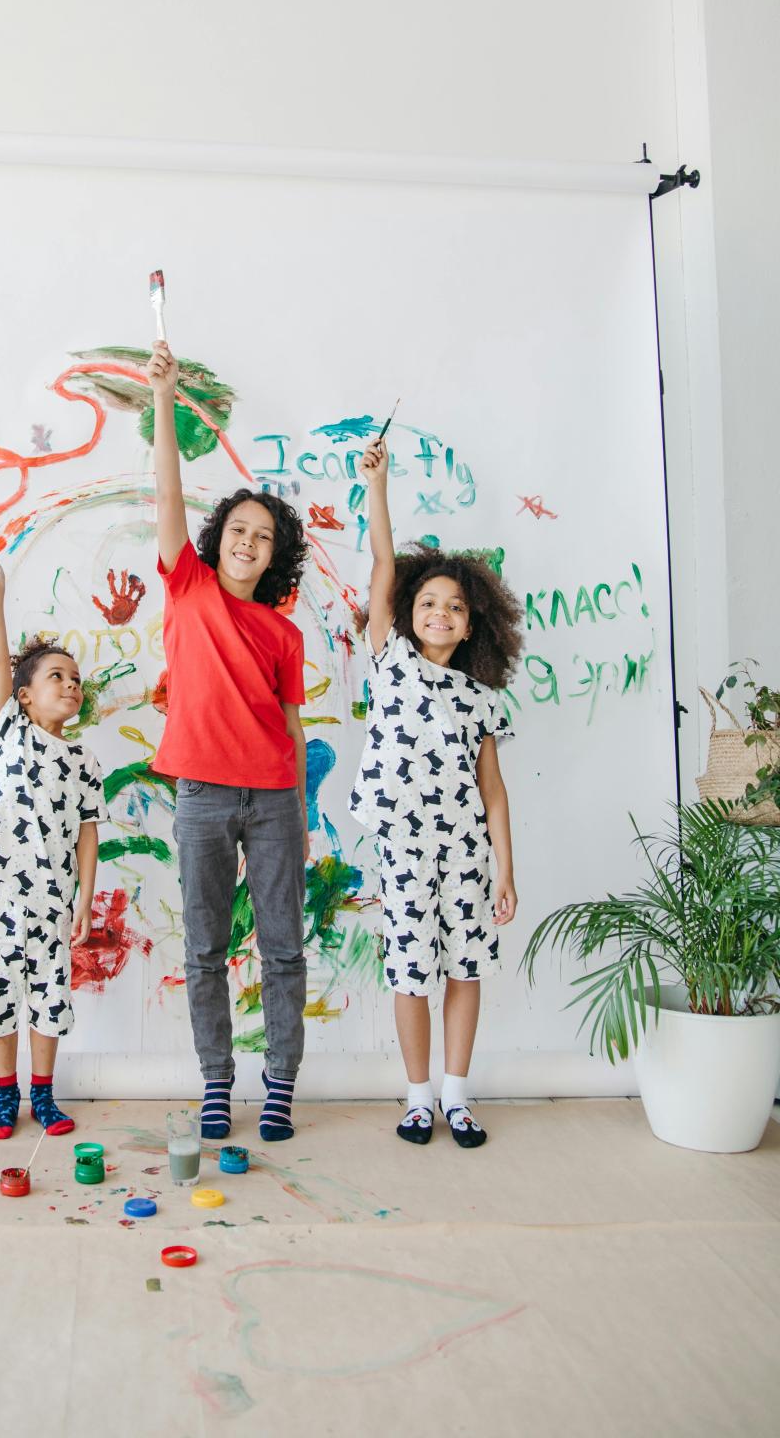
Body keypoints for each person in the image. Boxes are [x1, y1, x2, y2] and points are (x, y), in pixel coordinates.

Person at [148, 338, 309, 1143]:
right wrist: (165, 403)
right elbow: (168, 492)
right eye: (239, 529)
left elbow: (291, 725)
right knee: (206, 947)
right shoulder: (188, 586)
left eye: (264, 536)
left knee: (282, 948)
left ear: (276, 555)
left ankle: (280, 1084)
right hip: (202, 797)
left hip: (277, 800)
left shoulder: (282, 634)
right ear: (219, 539)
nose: (248, 541)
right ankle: (218, 1081)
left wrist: (301, 812)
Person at [351, 435, 522, 1148]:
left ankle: (457, 1094)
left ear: (473, 619)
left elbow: (495, 793)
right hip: (406, 847)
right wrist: (379, 488)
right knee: (412, 971)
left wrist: (506, 870)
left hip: (466, 853)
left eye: (454, 606)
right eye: (428, 602)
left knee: (466, 969)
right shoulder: (390, 659)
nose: (441, 613)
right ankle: (417, 1096)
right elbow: (385, 563)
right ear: (406, 612)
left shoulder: (482, 696)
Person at [0, 551, 101, 1139]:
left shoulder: (84, 761)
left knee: (48, 997)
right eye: (55, 677)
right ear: (22, 697)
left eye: (74, 679)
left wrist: (84, 901)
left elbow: (88, 835)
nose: (69, 685)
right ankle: (4, 1096)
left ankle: (43, 1095)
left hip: (50, 900)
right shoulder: (9, 731)